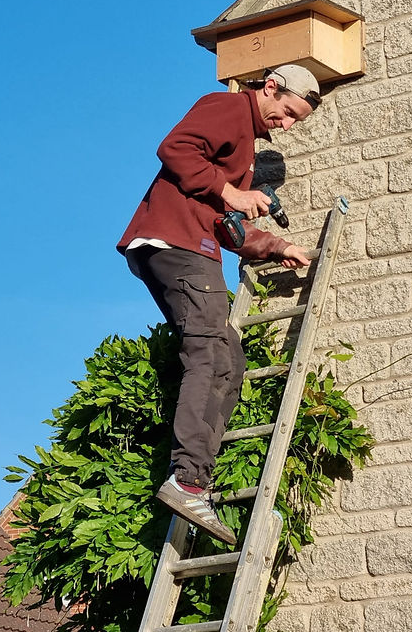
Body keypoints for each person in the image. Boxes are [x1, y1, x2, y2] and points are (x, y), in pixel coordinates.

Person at [116, 64, 321, 545]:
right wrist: (232, 191)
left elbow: (226, 228)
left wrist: (276, 247)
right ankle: (187, 479)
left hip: (190, 245)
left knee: (229, 361)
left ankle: (194, 479)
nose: (286, 125)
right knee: (208, 353)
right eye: (287, 112)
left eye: (296, 121)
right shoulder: (228, 108)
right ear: (270, 87)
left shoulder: (243, 150)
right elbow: (175, 147)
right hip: (180, 246)